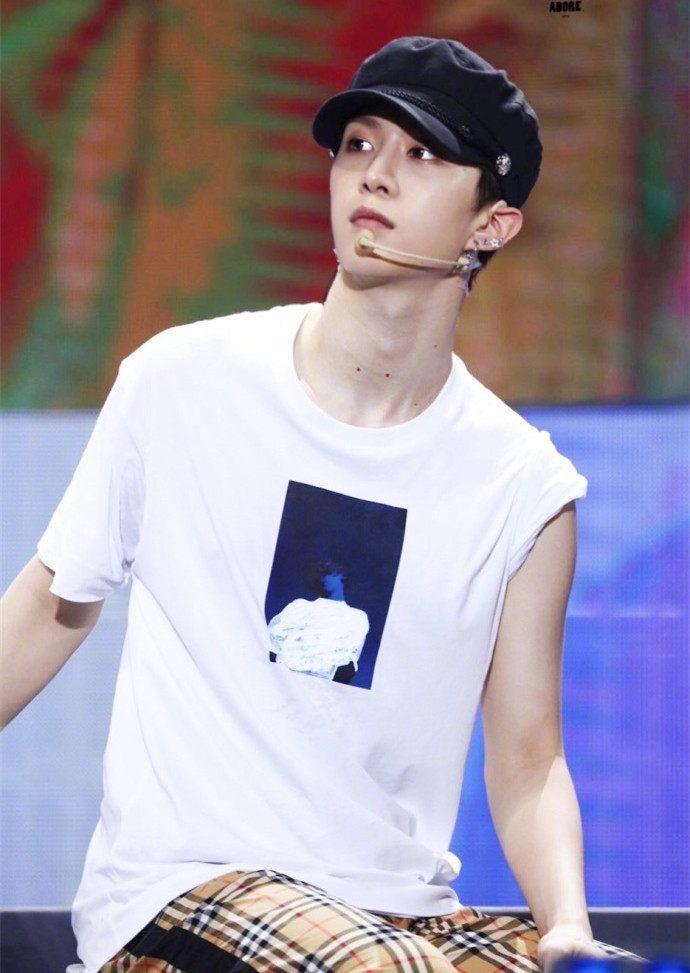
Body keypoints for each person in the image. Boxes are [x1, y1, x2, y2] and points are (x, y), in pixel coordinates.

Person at [0, 36, 648, 973]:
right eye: (358, 145)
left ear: (493, 224)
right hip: (185, 889)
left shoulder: (523, 486)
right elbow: (52, 602)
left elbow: (529, 759)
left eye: (421, 154)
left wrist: (567, 929)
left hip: (398, 914)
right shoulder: (182, 382)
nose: (375, 173)